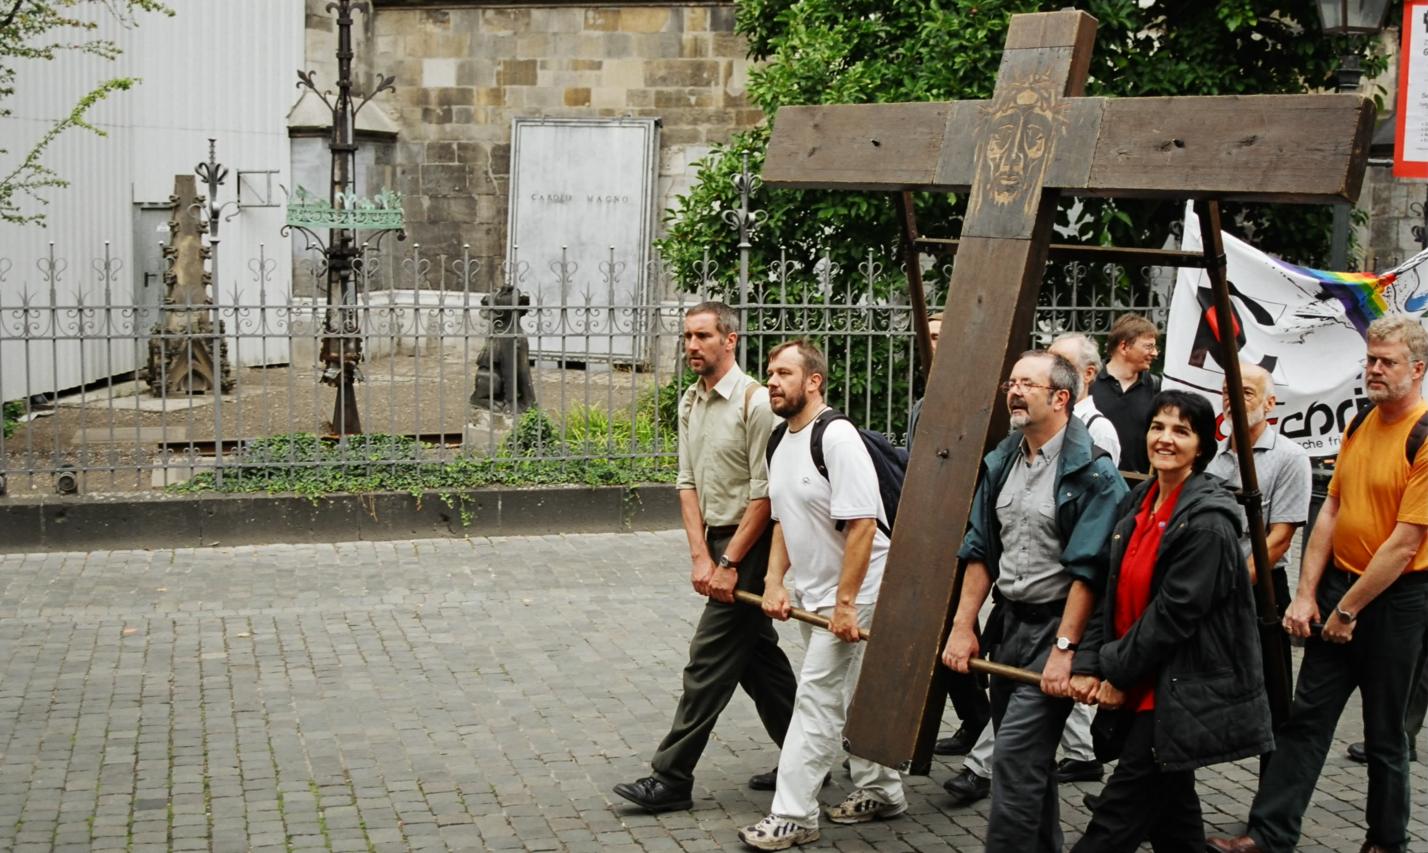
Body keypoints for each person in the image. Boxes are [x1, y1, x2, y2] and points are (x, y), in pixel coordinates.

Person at [1209, 315, 1428, 853]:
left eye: (1387, 361)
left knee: (1386, 733)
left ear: (1418, 369)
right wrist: (1308, 592)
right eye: (1371, 359)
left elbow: (1404, 543)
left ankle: (1386, 841)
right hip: (1338, 589)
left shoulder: (1423, 435)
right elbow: (1331, 507)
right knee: (1304, 720)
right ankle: (1269, 833)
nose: (1374, 369)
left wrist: (1348, 611)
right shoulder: (1359, 422)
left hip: (1397, 602)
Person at [613, 302, 797, 813]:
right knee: (760, 665)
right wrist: (700, 556)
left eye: (702, 336)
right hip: (717, 545)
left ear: (730, 340)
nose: (691, 346)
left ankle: (671, 778)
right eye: (687, 336)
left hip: (753, 546)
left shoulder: (756, 403)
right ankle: (811, 756)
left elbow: (767, 495)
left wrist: (730, 561)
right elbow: (686, 481)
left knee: (707, 661)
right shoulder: (691, 400)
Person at [941, 350, 1126, 852]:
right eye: (1011, 383)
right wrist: (964, 625)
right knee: (1032, 762)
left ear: (1061, 398)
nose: (1014, 392)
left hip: (1057, 629)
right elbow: (978, 548)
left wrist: (1066, 650)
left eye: (1027, 384)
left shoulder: (1094, 474)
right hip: (1010, 628)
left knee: (1015, 757)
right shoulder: (1001, 461)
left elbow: (1089, 573)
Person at [1072, 390, 1273, 852]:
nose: (1165, 439)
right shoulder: (1139, 502)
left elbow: (1173, 615)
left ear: (1202, 446)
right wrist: (1090, 663)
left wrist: (1116, 671)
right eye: (1158, 427)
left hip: (1178, 691)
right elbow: (1110, 589)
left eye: (1181, 431)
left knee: (1114, 820)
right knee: (1175, 823)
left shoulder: (1208, 523)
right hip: (1143, 680)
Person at [738, 340, 906, 850]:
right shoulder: (778, 440)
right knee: (853, 690)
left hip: (862, 586)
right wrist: (773, 582)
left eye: (784, 373)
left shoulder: (837, 437)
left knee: (816, 698)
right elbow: (785, 517)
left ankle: (793, 814)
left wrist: (846, 604)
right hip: (819, 594)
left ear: (813, 381)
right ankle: (882, 789)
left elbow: (861, 525)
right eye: (769, 373)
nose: (772, 381)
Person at [909, 312, 993, 762]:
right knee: (952, 624)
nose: (935, 343)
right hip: (931, 530)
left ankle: (982, 722)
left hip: (967, 530)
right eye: (930, 336)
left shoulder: (974, 395)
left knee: (956, 622)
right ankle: (977, 719)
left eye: (943, 335)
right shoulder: (927, 400)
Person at [1205, 362, 1310, 684]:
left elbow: (1279, 539)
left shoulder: (1290, 459)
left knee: (1263, 686)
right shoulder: (1209, 456)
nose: (1232, 399)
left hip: (1258, 590)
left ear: (1269, 403)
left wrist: (1228, 586)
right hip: (1206, 586)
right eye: (1226, 392)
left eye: (1245, 392)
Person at [1091, 313, 1161, 475]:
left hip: (1138, 486)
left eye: (1155, 347)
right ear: (1124, 347)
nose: (1155, 353)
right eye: (1148, 346)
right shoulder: (1089, 384)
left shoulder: (1155, 387)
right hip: (1094, 484)